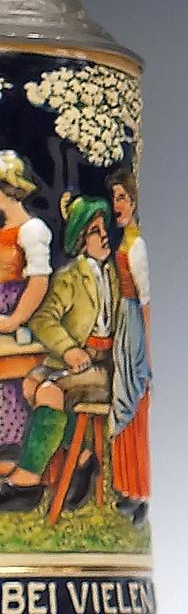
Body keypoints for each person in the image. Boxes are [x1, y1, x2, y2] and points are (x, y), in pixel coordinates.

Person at [0, 196, 118, 513]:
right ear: (80, 239)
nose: (104, 236)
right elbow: (43, 318)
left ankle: (27, 483)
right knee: (30, 384)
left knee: (49, 392)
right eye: (94, 231)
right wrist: (68, 349)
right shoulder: (71, 276)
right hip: (78, 360)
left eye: (103, 229)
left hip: (106, 364)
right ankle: (80, 460)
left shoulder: (116, 274)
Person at [107, 168, 151, 521]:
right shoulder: (124, 241)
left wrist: (148, 353)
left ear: (134, 200)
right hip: (124, 322)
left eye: (121, 197)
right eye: (114, 198)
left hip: (134, 322)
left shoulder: (136, 246)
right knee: (122, 400)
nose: (116, 204)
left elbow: (146, 301)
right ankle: (124, 485)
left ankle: (138, 491)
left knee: (134, 401)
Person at [0, 150, 52, 450]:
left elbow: (38, 282)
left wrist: (14, 320)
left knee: (10, 390)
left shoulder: (31, 230)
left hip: (17, 318)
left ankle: (10, 454)